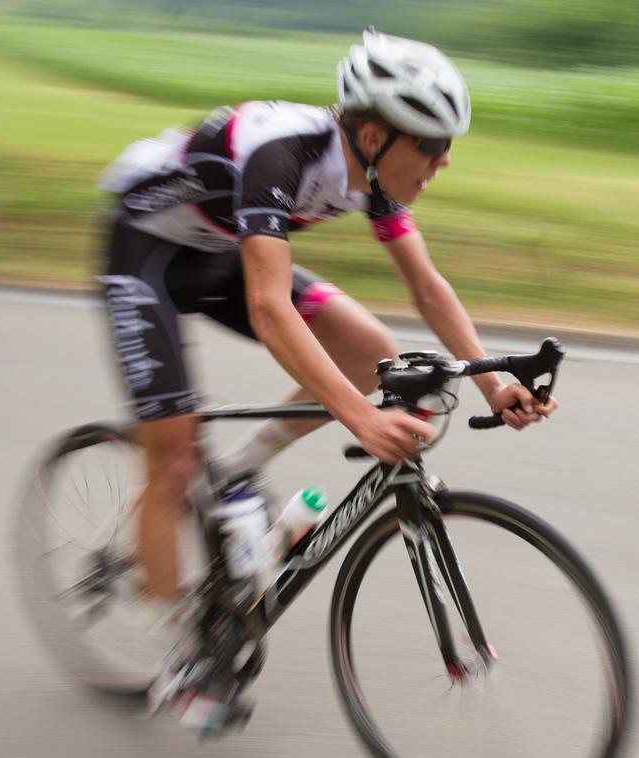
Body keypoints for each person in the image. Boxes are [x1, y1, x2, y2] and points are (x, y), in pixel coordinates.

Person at [95, 27, 557, 724]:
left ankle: (242, 473)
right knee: (173, 461)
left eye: (448, 144)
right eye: (431, 145)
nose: (444, 161)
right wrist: (361, 418)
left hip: (216, 249)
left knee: (369, 345)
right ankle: (181, 658)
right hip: (145, 256)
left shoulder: (372, 177)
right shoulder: (279, 154)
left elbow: (426, 289)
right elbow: (270, 310)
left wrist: (495, 383)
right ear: (373, 136)